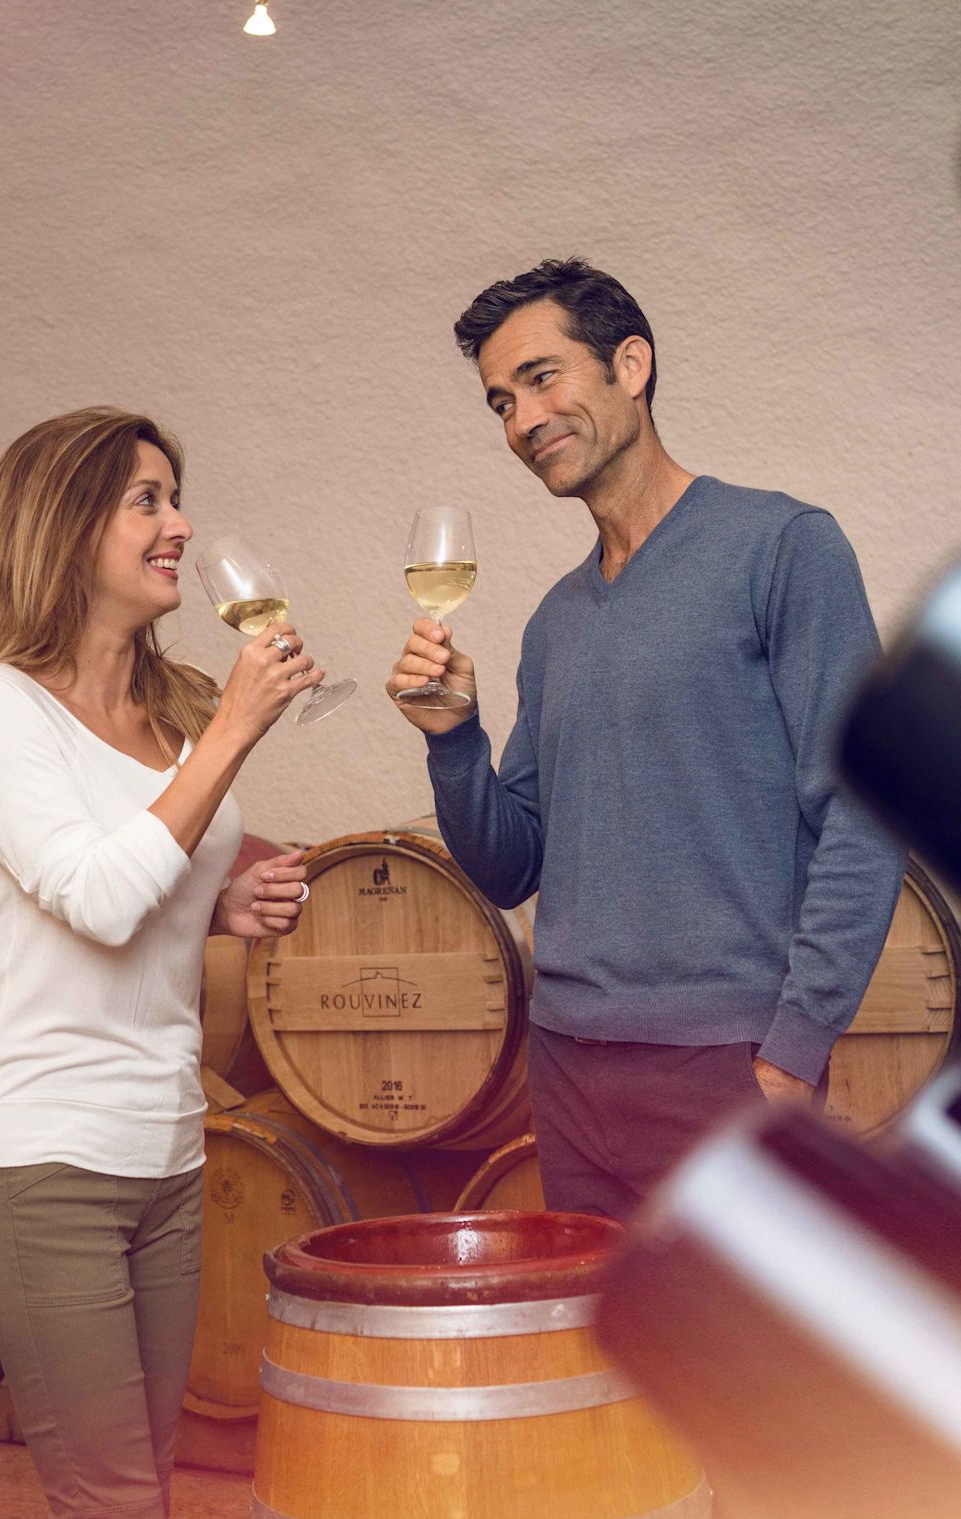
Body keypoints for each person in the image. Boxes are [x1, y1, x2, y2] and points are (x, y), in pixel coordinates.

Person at [386, 258, 907, 1221]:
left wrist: (792, 1054)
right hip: (570, 1071)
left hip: (728, 1072)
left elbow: (866, 811)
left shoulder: (783, 548)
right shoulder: (555, 623)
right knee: (597, 1368)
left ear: (632, 365)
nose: (522, 420)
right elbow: (511, 869)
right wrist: (453, 740)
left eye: (543, 378)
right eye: (501, 401)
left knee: (740, 1370)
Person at [0, 406, 320, 1519]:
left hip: (164, 1148)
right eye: (147, 500)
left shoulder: (165, 712)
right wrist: (237, 731)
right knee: (112, 1503)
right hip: (43, 1153)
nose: (179, 524)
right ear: (63, 527)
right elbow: (95, 900)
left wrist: (222, 901)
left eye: (173, 497)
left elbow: (141, 879)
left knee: (147, 1476)